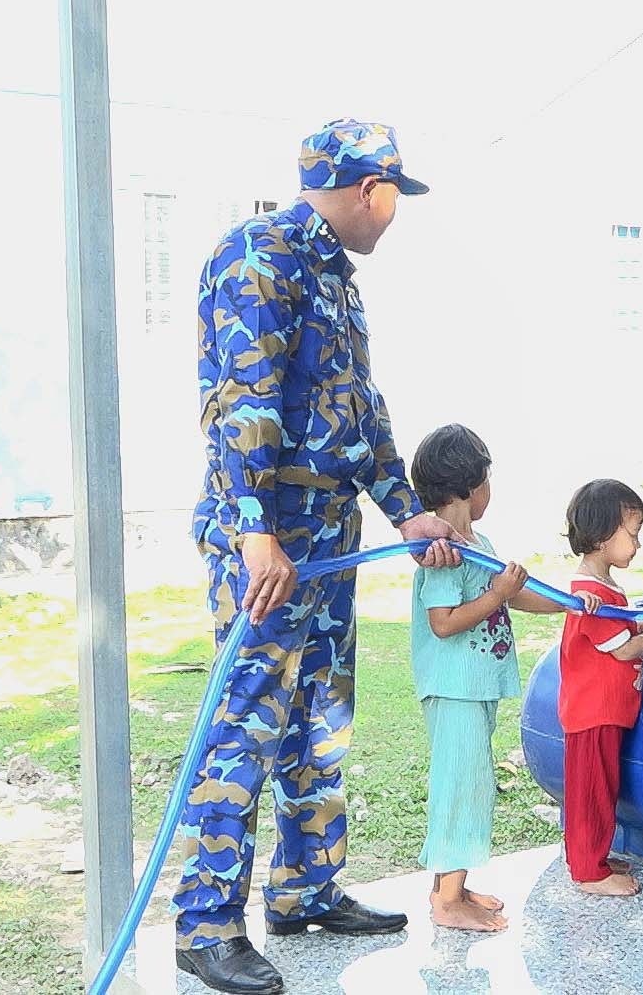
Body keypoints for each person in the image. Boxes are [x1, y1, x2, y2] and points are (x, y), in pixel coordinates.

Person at [175, 119, 460, 995]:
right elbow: (242, 400)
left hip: (327, 533)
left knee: (321, 720)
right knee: (248, 722)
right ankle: (205, 925)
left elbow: (360, 408)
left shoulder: (336, 277)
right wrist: (255, 528)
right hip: (268, 540)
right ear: (370, 190)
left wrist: (406, 512)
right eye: (393, 199)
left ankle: (305, 889)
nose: (392, 217)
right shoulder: (257, 256)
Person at [407, 424, 604, 931]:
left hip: (477, 685)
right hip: (454, 689)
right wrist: (496, 594)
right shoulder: (441, 551)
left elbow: (515, 594)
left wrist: (568, 605)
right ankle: (447, 902)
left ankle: (449, 885)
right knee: (461, 786)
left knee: (471, 783)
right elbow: (444, 622)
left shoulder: (479, 541)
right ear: (473, 484)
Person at [558, 479, 643, 895]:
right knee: (591, 792)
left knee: (602, 788)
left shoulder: (606, 589)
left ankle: (593, 856)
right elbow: (625, 648)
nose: (637, 544)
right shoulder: (590, 594)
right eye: (631, 535)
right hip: (592, 712)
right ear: (600, 538)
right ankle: (588, 873)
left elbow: (626, 627)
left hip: (607, 710)